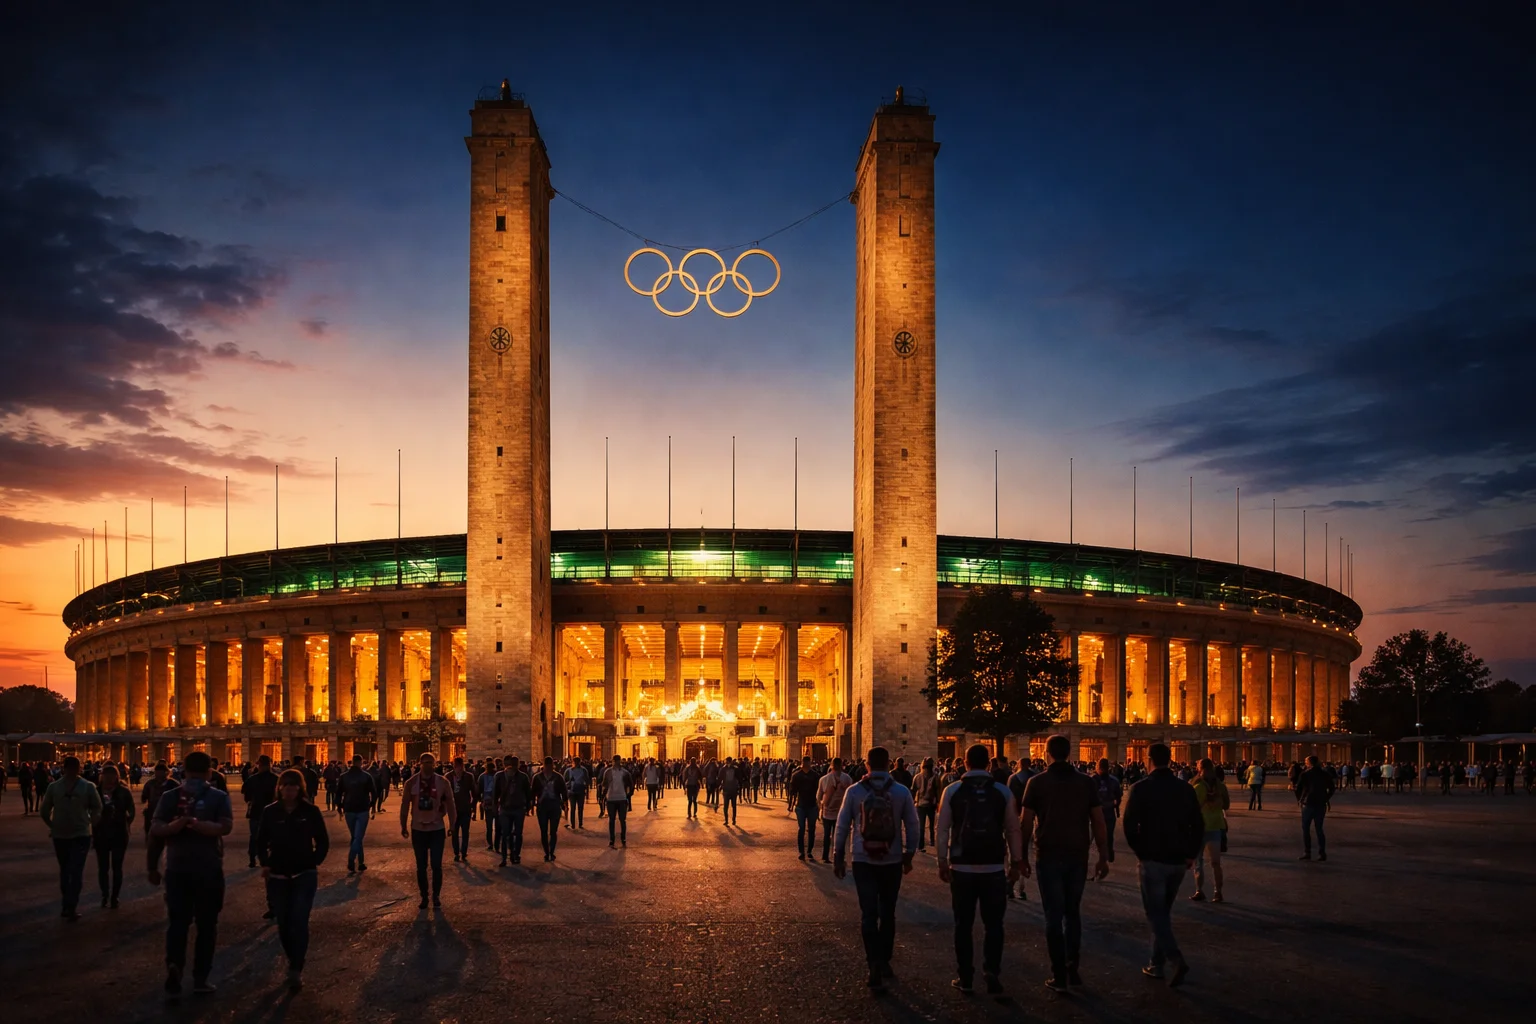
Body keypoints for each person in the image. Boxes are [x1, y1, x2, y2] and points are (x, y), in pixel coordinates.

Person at [1020, 735, 1110, 992]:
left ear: (1047, 753)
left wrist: (1021, 857)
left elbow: (1025, 823)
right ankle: (1073, 968)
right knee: (1072, 912)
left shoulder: (1036, 783)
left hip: (1047, 854)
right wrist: (1103, 855)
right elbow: (1098, 821)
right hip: (1077, 855)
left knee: (1053, 915)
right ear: (1069, 753)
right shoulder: (1085, 783)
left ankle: (1058, 974)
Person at [936, 744, 1024, 995]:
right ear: (989, 764)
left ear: (965, 763)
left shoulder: (953, 790)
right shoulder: (1002, 792)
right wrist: (1016, 862)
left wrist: (942, 861)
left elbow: (942, 829)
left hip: (962, 866)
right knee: (994, 924)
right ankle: (991, 972)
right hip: (993, 866)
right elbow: (1013, 829)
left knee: (962, 924)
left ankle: (965, 976)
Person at [834, 746, 921, 991]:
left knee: (868, 913)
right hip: (892, 859)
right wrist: (909, 854)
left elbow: (842, 826)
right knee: (888, 912)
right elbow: (913, 826)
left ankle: (872, 961)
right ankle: (884, 960)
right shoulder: (901, 791)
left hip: (863, 859)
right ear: (889, 763)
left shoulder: (854, 791)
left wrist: (838, 855)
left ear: (867, 764)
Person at [151, 751, 234, 998]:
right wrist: (203, 827)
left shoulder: (170, 796)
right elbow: (226, 827)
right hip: (208, 868)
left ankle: (175, 964)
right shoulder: (218, 796)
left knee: (177, 923)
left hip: (176, 868)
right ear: (210, 771)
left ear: (183, 771)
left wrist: (175, 827)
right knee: (207, 925)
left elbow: (156, 828)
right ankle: (201, 978)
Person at [1121, 742, 1203, 987]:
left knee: (1155, 913)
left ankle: (1175, 959)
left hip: (1153, 859)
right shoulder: (1185, 789)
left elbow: (1128, 826)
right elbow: (1197, 825)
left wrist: (1141, 852)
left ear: (1149, 760)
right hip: (1179, 861)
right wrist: (1190, 855)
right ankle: (1156, 964)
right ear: (1170, 759)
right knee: (1162, 913)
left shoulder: (1140, 789)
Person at [254, 768, 330, 992]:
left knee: (299, 920)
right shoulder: (270, 812)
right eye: (285, 785)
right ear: (280, 788)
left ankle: (296, 967)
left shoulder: (310, 811)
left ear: (300, 788)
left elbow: (323, 840)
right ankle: (292, 958)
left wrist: (314, 860)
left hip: (304, 874)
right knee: (284, 923)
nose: (289, 790)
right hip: (277, 874)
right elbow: (260, 841)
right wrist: (265, 863)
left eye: (293, 786)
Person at [40, 755, 103, 921]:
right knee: (72, 871)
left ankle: (68, 904)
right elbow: (97, 807)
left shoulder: (55, 787)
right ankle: (69, 905)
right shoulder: (87, 787)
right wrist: (92, 819)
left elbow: (44, 811)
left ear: (63, 768)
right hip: (77, 832)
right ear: (78, 768)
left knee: (68, 870)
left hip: (68, 834)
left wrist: (53, 825)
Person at [399, 752, 455, 908]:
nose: (428, 765)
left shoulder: (443, 783)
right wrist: (403, 825)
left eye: (431, 762)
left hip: (437, 828)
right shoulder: (411, 783)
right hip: (418, 828)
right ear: (419, 763)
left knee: (436, 865)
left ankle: (436, 896)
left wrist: (453, 824)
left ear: (435, 764)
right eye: (425, 762)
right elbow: (405, 806)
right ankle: (424, 896)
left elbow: (451, 804)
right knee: (421, 866)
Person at [94, 764, 135, 909]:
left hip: (119, 833)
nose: (109, 779)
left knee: (117, 867)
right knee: (103, 867)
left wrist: (126, 821)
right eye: (106, 775)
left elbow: (131, 810)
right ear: (102, 776)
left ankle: (114, 896)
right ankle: (105, 894)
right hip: (100, 833)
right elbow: (88, 809)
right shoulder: (96, 791)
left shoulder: (124, 792)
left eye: (112, 776)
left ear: (117, 777)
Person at [1189, 758, 1229, 902]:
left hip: (1199, 827)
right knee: (1216, 863)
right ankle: (1218, 892)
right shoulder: (1220, 786)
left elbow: (1191, 808)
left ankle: (1199, 890)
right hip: (1216, 826)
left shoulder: (1197, 787)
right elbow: (1227, 805)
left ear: (1199, 769)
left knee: (1198, 861)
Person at [337, 755, 377, 874]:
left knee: (355, 836)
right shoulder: (366, 776)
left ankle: (360, 862)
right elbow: (374, 793)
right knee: (358, 837)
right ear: (360, 762)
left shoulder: (344, 777)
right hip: (363, 808)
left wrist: (339, 806)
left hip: (349, 808)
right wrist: (372, 805)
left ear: (352, 762)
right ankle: (352, 859)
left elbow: (338, 793)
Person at [240, 755, 279, 869]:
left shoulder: (252, 779)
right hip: (272, 811)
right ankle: (270, 858)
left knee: (254, 836)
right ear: (270, 764)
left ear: (259, 765)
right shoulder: (276, 779)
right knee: (272, 835)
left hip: (256, 811)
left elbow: (246, 796)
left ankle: (252, 858)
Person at [1295, 754, 1335, 862]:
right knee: (1319, 829)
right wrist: (1326, 798)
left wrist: (1300, 799)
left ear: (1309, 763)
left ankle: (1307, 852)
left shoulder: (1305, 774)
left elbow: (1298, 789)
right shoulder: (1325, 774)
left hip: (1307, 804)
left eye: (1306, 762)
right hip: (1320, 803)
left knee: (1306, 829)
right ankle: (1322, 853)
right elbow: (1332, 788)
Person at [495, 756, 532, 865]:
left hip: (518, 808)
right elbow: (496, 792)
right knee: (506, 833)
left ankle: (514, 854)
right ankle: (506, 857)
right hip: (506, 808)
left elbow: (528, 793)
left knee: (517, 833)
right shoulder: (500, 776)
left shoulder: (523, 777)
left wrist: (529, 806)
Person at [816, 757, 853, 864]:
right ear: (842, 765)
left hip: (827, 811)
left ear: (831, 765)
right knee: (840, 836)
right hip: (841, 812)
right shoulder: (847, 779)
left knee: (827, 835)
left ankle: (825, 856)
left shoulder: (824, 779)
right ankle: (839, 856)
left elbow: (818, 796)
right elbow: (850, 796)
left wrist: (820, 808)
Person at [532, 757, 568, 861]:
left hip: (554, 806)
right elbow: (533, 792)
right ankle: (547, 852)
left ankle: (551, 852)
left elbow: (564, 791)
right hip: (543, 806)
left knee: (553, 831)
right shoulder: (537, 778)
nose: (548, 767)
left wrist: (565, 803)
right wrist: (532, 804)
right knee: (544, 831)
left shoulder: (558, 777)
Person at [788, 757, 821, 860]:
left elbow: (818, 791)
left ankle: (809, 851)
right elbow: (792, 790)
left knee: (811, 829)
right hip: (801, 805)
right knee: (802, 829)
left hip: (811, 805)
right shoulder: (797, 775)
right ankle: (802, 851)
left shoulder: (815, 776)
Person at [447, 757, 477, 862]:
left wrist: (473, 807)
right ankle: (456, 852)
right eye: (456, 766)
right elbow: (444, 794)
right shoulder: (449, 777)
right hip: (454, 810)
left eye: (460, 766)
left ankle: (463, 852)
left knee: (465, 832)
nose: (458, 768)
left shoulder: (468, 777)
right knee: (454, 832)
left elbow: (474, 792)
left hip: (465, 809)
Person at [1093, 759, 1123, 862]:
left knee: (1096, 835)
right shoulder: (1114, 780)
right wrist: (1115, 803)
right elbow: (1119, 796)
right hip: (1108, 811)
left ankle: (1105, 854)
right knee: (1108, 835)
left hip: (1096, 812)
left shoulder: (1092, 780)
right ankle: (1108, 853)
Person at [913, 757, 942, 852]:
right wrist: (938, 803)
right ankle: (932, 841)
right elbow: (938, 792)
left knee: (921, 826)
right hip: (930, 804)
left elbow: (913, 791)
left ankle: (920, 844)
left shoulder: (917, 777)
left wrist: (913, 802)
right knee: (931, 825)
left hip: (920, 804)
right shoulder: (935, 777)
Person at [604, 756, 632, 848]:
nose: (616, 763)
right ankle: (612, 839)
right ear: (612, 762)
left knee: (622, 820)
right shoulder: (608, 772)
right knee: (611, 820)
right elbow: (604, 784)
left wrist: (628, 795)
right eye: (615, 761)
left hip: (622, 798)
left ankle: (623, 838)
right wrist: (603, 796)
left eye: (618, 761)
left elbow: (630, 784)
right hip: (611, 798)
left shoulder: (624, 772)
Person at [565, 758, 589, 829]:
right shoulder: (569, 771)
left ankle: (579, 823)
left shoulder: (583, 770)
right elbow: (565, 781)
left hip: (579, 791)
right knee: (574, 808)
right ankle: (574, 824)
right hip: (573, 791)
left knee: (579, 808)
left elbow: (586, 780)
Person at [720, 757, 742, 825]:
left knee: (726, 806)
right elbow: (740, 779)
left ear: (726, 761)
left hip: (726, 789)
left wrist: (719, 786)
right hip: (734, 790)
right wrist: (739, 788)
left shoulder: (723, 769)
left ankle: (726, 820)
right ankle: (734, 820)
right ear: (731, 761)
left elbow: (720, 778)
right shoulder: (736, 769)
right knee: (734, 806)